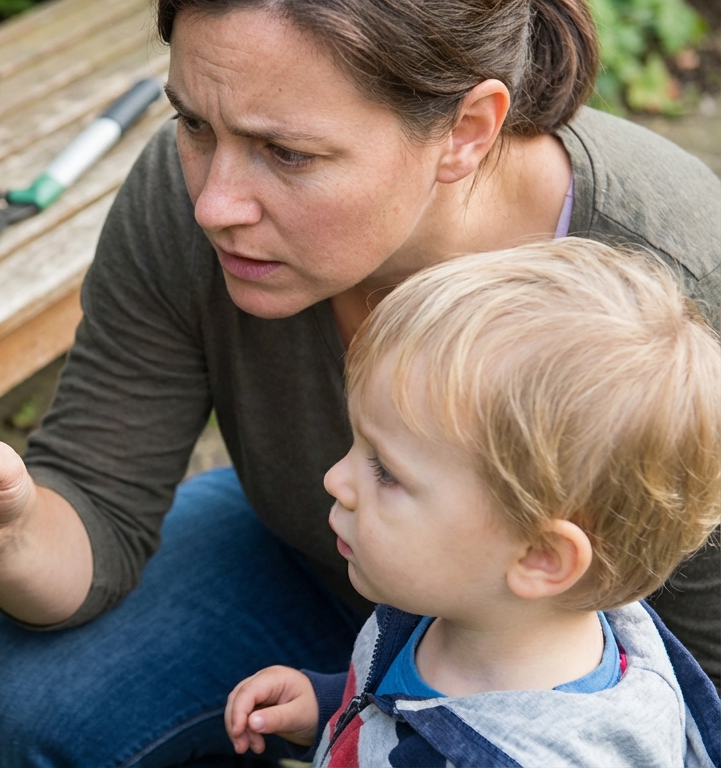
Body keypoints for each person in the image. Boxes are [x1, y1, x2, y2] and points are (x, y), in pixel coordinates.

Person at [0, 0, 721, 761]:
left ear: (466, 130)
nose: (213, 204)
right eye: (195, 125)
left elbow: (707, 674)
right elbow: (96, 509)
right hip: (321, 572)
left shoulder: (681, 283)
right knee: (1, 687)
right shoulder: (187, 203)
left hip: (542, 684)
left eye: (289, 155)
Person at [224, 240, 721, 766]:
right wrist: (329, 708)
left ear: (540, 557)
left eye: (386, 471)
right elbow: (395, 711)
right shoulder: (458, 601)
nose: (334, 479)